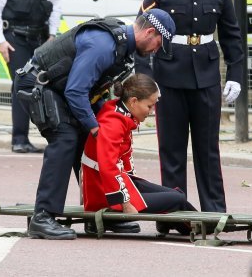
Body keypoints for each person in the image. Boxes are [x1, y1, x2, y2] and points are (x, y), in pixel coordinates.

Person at [14, 8, 176, 240]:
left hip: (62, 89)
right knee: (66, 138)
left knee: (90, 144)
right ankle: (43, 216)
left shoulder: (123, 45)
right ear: (150, 32)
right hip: (38, 84)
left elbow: (94, 92)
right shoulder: (103, 45)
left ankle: (99, 214)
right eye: (158, 44)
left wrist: (103, 127)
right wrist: (95, 126)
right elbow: (76, 90)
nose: (156, 50)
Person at [135, 0, 244, 214]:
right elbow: (141, 32)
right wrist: (145, 81)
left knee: (208, 150)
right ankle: (173, 212)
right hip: (168, 78)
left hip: (206, 77)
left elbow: (231, 35)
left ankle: (214, 212)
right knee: (171, 150)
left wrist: (235, 73)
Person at [82, 73, 197, 235]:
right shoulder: (113, 123)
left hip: (112, 183)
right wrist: (125, 203)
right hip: (103, 192)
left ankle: (194, 225)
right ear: (134, 101)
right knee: (176, 199)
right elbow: (108, 166)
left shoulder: (121, 113)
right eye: (149, 106)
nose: (151, 111)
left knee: (175, 194)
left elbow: (124, 159)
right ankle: (198, 227)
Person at [0, 0, 61, 153]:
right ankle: (19, 139)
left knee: (42, 87)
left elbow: (55, 4)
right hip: (14, 38)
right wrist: (0, 40)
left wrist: (52, 34)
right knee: (22, 85)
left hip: (40, 39)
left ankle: (50, 138)